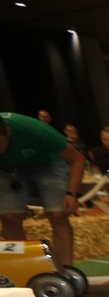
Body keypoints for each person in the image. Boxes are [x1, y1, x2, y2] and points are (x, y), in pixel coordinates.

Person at [0, 113, 86, 273]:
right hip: (6, 169)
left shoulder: (35, 130)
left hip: (48, 163)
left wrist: (72, 193)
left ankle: (64, 271)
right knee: (9, 217)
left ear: (7, 132)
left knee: (58, 214)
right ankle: (24, 270)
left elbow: (78, 159)